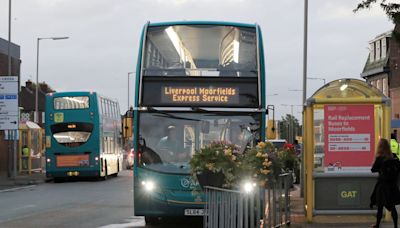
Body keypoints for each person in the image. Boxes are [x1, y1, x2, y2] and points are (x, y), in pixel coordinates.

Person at [370, 138, 400, 228]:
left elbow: (373, 170)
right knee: (393, 207)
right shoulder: (393, 156)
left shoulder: (380, 158)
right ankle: (395, 225)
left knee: (380, 206)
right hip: (392, 186)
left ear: (380, 147)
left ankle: (377, 224)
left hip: (382, 186)